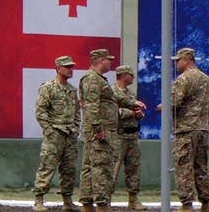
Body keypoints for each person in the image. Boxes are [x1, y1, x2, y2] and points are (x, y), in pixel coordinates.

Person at [157, 48, 209, 212]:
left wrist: (162, 107)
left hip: (186, 130)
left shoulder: (183, 79)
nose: (175, 64)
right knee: (201, 167)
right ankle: (206, 203)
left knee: (183, 167)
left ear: (186, 60)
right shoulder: (206, 79)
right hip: (202, 129)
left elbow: (174, 102)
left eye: (177, 61)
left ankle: (187, 204)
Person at [32, 56, 81, 212]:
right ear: (58, 68)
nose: (71, 69)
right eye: (67, 67)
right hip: (55, 135)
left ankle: (67, 201)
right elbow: (40, 112)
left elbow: (76, 112)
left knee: (69, 170)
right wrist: (49, 131)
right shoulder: (48, 88)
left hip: (70, 135)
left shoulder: (71, 90)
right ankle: (39, 200)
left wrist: (76, 128)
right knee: (47, 167)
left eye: (72, 67)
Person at [78, 49, 118, 212]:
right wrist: (98, 129)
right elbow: (91, 105)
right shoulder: (93, 79)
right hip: (99, 132)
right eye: (109, 60)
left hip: (94, 130)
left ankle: (87, 204)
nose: (111, 62)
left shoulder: (95, 79)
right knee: (101, 166)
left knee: (89, 166)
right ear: (101, 60)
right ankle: (102, 205)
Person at [111, 65, 147, 210]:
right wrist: (128, 112)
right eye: (131, 75)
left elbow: (137, 111)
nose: (133, 77)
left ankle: (133, 199)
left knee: (134, 169)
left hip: (132, 135)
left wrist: (138, 114)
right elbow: (110, 112)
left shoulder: (131, 94)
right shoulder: (111, 93)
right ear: (124, 76)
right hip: (118, 136)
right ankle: (106, 200)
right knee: (113, 169)